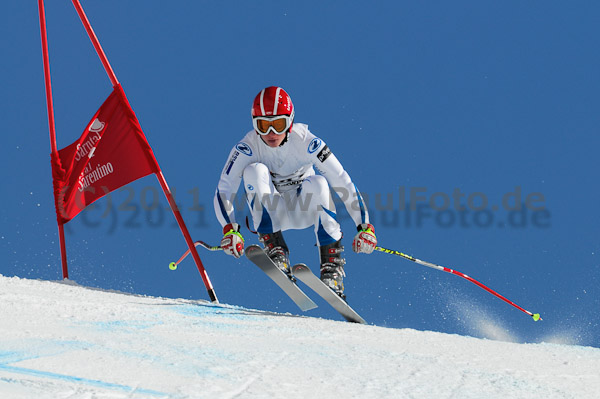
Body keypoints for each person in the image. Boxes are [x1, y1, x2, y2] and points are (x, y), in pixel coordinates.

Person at [214, 86, 377, 299]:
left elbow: (342, 180)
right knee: (254, 171)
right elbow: (224, 188)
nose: (271, 133)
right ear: (255, 125)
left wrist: (365, 226)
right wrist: (229, 229)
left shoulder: (308, 142)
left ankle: (331, 267)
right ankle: (275, 248)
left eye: (278, 124)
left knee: (318, 183)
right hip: (272, 213)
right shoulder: (247, 147)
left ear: (290, 122)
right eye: (263, 126)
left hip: (304, 210)